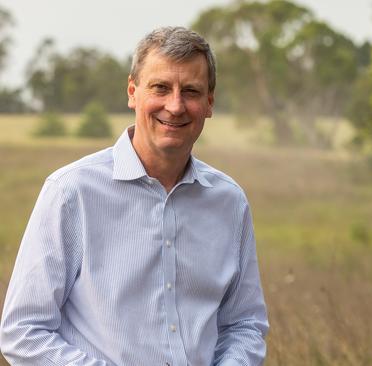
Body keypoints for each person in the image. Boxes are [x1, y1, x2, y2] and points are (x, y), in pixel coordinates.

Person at [0, 26, 268, 365]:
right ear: (132, 92)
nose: (175, 106)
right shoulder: (71, 192)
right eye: (160, 88)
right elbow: (23, 331)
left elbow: (244, 325)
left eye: (191, 91)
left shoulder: (229, 202)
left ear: (209, 103)